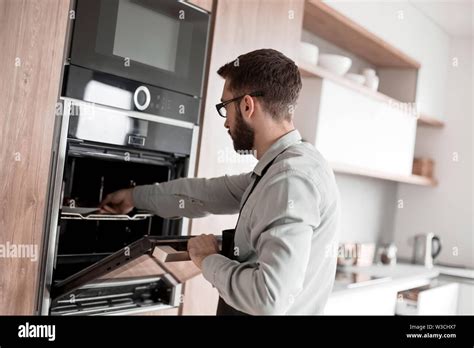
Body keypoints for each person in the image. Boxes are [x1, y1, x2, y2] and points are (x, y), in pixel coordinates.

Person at [99, 49, 340, 315]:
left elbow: (268, 298)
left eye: (225, 107)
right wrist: (135, 197)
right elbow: (204, 194)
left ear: (247, 106)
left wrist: (207, 260)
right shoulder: (282, 169)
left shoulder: (290, 179)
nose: (225, 122)